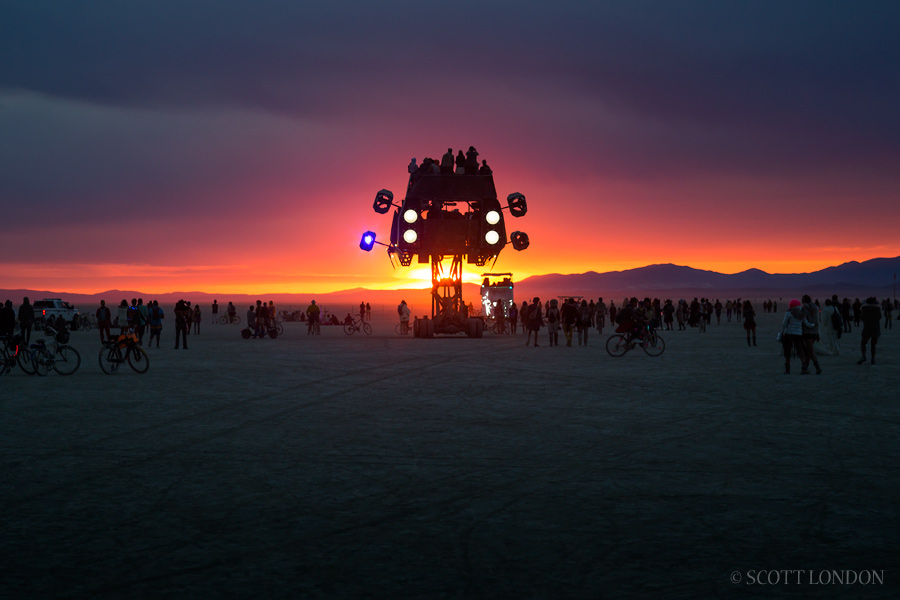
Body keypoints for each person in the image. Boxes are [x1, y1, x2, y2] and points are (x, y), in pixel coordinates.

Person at [780, 299, 809, 374]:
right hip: (798, 334)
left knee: (787, 352)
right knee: (800, 351)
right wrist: (814, 325)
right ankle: (804, 368)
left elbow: (784, 324)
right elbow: (807, 323)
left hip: (789, 334)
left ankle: (787, 369)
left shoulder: (788, 313)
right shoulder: (801, 314)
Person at [800, 294, 822, 374]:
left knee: (810, 351)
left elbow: (802, 318)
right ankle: (804, 369)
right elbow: (817, 321)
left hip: (807, 332)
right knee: (808, 351)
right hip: (815, 332)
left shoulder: (804, 307)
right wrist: (818, 333)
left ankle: (818, 367)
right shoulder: (816, 307)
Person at [858, 297, 882, 365]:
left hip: (867, 328)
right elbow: (880, 317)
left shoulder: (864, 308)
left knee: (863, 343)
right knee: (873, 345)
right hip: (875, 329)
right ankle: (873, 358)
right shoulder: (877, 308)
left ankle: (863, 356)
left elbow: (862, 318)